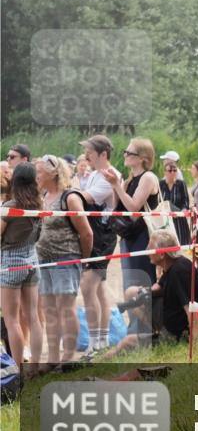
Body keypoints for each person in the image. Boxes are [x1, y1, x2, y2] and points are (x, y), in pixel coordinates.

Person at [35, 155, 92, 365]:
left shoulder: (70, 198)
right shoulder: (42, 197)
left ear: (53, 173)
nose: (37, 176)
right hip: (44, 260)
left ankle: (68, 357)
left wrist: (82, 260)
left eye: (40, 172)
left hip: (66, 258)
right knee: (49, 309)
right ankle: (52, 358)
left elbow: (87, 233)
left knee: (66, 309)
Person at [76, 134, 120, 355]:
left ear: (103, 153)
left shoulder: (111, 175)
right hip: (95, 233)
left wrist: (68, 195)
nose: (87, 156)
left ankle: (95, 341)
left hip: (103, 235)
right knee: (99, 289)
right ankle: (101, 340)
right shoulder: (94, 173)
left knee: (88, 287)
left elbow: (86, 199)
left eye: (91, 152)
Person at [0, 163, 43, 373]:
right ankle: (34, 366)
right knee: (33, 316)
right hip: (32, 260)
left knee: (12, 319)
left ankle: (17, 370)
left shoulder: (10, 206)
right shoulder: (39, 206)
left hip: (10, 263)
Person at [102, 138, 159, 293]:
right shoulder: (129, 180)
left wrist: (116, 185)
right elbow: (117, 207)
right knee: (130, 284)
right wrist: (115, 186)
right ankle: (136, 317)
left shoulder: (148, 177)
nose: (125, 155)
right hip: (130, 236)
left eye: (129, 152)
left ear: (143, 158)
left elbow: (134, 207)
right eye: (125, 152)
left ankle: (145, 317)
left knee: (142, 282)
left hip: (145, 237)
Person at [159, 157, 191, 246]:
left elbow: (186, 201)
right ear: (164, 172)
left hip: (178, 219)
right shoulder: (160, 184)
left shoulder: (181, 184)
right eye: (170, 171)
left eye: (175, 170)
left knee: (181, 244)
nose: (173, 173)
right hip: (165, 220)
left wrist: (183, 210)